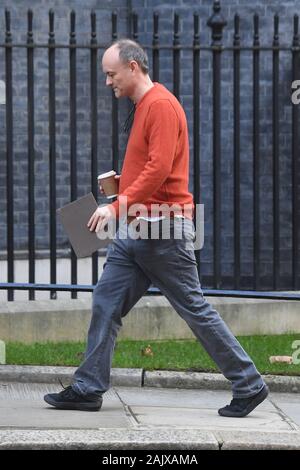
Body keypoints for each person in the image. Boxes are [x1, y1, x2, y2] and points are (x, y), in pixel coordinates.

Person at [44, 39, 268, 417]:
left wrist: (117, 204)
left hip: (163, 230)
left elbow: (160, 168)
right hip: (135, 232)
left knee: (194, 308)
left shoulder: (161, 105)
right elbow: (149, 167)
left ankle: (249, 384)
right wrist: (121, 183)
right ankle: (88, 387)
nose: (108, 82)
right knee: (105, 302)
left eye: (111, 74)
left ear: (134, 67)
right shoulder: (144, 106)